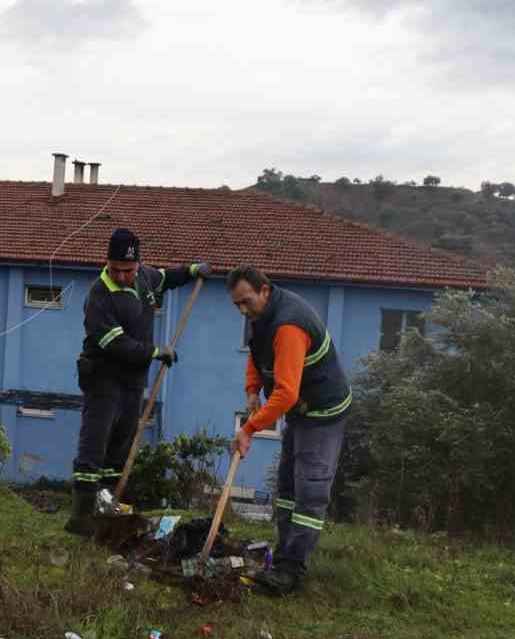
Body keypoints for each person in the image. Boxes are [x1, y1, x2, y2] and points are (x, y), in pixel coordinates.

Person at [68, 228, 210, 533]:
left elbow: (166, 278)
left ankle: (106, 506)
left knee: (121, 444)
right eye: (116, 270)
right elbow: (115, 344)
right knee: (95, 443)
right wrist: (157, 351)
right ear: (107, 264)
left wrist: (191, 271)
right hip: (103, 377)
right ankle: (80, 518)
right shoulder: (99, 295)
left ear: (138, 265)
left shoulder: (145, 277)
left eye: (128, 271)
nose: (122, 276)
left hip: (134, 380)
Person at [227, 265, 351, 595]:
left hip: (323, 411)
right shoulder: (261, 317)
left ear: (264, 290)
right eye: (237, 304)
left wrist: (249, 429)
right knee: (286, 488)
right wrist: (252, 390)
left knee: (310, 491)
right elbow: (256, 354)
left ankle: (293, 571)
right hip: (299, 412)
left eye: (247, 301)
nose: (243, 310)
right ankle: (282, 557)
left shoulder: (288, 325)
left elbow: (286, 393)